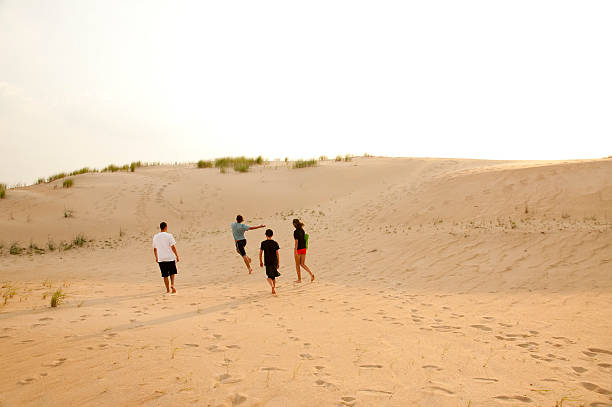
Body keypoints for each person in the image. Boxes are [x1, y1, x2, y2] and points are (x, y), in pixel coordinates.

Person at [152, 221, 179, 293]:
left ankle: (167, 289)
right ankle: (172, 284)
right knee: (172, 272)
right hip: (170, 257)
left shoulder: (155, 237)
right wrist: (177, 255)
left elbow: (155, 249)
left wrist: (156, 257)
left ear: (160, 228)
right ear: (166, 227)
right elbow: (173, 247)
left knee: (165, 275)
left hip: (161, 258)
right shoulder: (169, 235)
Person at [293, 218, 314, 283]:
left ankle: (299, 279)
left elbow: (296, 242)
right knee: (302, 264)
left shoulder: (295, 232)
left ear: (294, 224)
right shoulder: (302, 230)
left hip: (298, 249)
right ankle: (311, 274)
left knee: (297, 265)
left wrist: (295, 251)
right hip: (304, 248)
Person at [259, 229, 280, 295]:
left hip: (267, 261)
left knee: (269, 277)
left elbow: (260, 253)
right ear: (272, 235)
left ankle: (272, 286)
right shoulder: (275, 243)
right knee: (273, 276)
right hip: (274, 261)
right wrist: (278, 262)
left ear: (266, 235)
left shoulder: (263, 243)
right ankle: (273, 289)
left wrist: (261, 261)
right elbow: (277, 254)